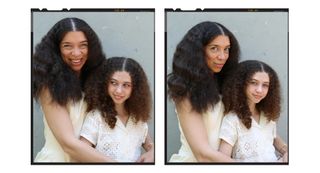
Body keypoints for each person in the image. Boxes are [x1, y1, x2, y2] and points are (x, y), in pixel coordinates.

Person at [33, 17, 111, 162]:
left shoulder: (97, 80)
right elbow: (69, 145)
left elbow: (124, 112)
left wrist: (151, 147)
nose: (76, 53)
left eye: (83, 45)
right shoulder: (48, 85)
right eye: (67, 46)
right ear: (56, 49)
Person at [167, 21, 240, 162]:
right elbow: (202, 154)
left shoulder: (228, 83)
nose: (222, 56)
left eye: (226, 49)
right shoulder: (185, 91)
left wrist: (283, 148)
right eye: (214, 48)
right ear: (198, 51)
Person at [80, 57, 154, 162]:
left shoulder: (138, 118)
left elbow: (150, 146)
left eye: (126, 85)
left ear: (136, 88)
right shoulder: (96, 116)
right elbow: (82, 151)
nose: (119, 90)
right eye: (113, 83)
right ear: (105, 83)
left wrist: (152, 153)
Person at [219, 60, 288, 162]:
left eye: (265, 85)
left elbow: (273, 139)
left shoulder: (267, 115)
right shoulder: (232, 119)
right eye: (253, 83)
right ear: (241, 84)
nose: (259, 90)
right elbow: (222, 159)